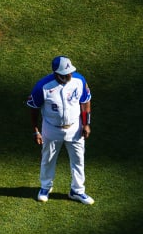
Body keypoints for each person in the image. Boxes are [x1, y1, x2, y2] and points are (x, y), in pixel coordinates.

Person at [26, 56, 94, 204]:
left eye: (70, 72)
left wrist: (86, 124)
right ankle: (45, 187)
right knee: (48, 159)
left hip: (75, 127)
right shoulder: (42, 86)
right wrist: (35, 130)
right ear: (56, 73)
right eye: (65, 73)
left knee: (78, 160)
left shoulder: (79, 80)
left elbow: (85, 101)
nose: (69, 75)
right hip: (51, 129)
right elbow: (33, 109)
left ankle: (77, 190)